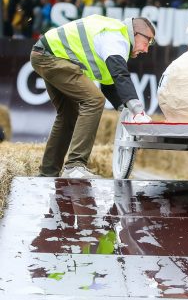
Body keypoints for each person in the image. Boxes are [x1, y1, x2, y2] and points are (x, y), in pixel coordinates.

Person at [31, 14, 155, 178]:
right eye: (148, 42)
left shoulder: (115, 36)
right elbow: (120, 75)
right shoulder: (117, 38)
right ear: (136, 33)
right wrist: (138, 111)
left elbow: (110, 84)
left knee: (68, 114)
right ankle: (75, 166)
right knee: (94, 100)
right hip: (52, 57)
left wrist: (126, 109)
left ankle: (48, 173)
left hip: (45, 54)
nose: (146, 49)